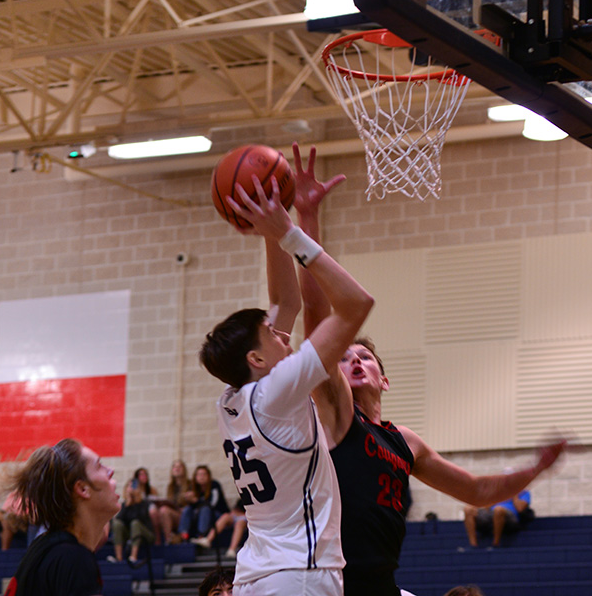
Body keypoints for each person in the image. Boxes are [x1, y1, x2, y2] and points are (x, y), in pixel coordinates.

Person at [293, 152, 566, 596]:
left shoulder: (406, 441)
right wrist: (306, 216)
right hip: (331, 579)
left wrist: (535, 469)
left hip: (381, 580)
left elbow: (478, 491)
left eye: (366, 358)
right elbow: (318, 311)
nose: (355, 361)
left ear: (384, 379)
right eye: (346, 357)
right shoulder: (337, 412)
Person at [199, 143, 373, 596]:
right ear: (256, 359)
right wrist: (290, 234)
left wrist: (268, 226)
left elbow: (284, 304)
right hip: (299, 574)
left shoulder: (233, 398)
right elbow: (356, 304)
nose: (284, 335)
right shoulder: (277, 391)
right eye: (273, 335)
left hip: (257, 574)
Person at [3, 438, 120, 596]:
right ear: (82, 489)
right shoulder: (73, 559)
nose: (110, 471)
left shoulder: (48, 549)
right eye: (99, 466)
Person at [463, 483, 533, 548]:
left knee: (498, 510)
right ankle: (473, 545)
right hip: (492, 514)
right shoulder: (498, 492)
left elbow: (520, 508)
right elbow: (486, 507)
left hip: (511, 516)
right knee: (468, 509)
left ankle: (496, 543)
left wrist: (514, 494)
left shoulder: (523, 492)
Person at [110, 467, 157, 562]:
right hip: (131, 534)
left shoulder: (144, 503)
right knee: (116, 523)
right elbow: (120, 520)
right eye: (129, 486)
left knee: (135, 523)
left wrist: (135, 500)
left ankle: (133, 556)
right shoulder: (124, 504)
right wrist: (128, 504)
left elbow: (139, 519)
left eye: (133, 487)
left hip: (145, 534)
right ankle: (118, 557)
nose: (131, 489)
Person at [179, 466, 229, 546]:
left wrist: (196, 501)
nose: (201, 477)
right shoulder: (193, 487)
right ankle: (183, 535)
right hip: (199, 515)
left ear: (209, 476)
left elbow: (212, 504)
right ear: (195, 477)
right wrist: (187, 500)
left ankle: (201, 536)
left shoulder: (214, 485)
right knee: (187, 509)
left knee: (205, 509)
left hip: (216, 514)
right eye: (199, 475)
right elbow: (191, 507)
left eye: (204, 474)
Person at [158, 460, 191, 545]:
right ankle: (168, 539)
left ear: (184, 470)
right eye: (175, 467)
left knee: (165, 510)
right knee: (163, 510)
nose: (177, 469)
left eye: (179, 467)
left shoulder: (189, 484)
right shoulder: (171, 486)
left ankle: (172, 538)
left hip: (186, 516)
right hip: (175, 513)